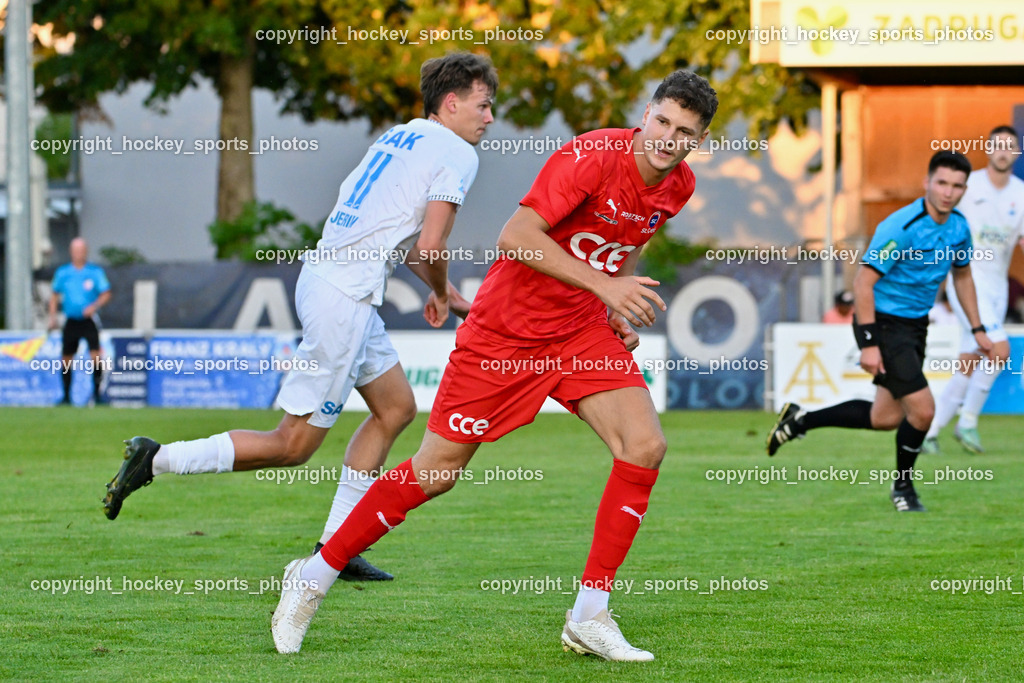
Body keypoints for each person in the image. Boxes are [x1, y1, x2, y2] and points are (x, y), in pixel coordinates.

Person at [269, 69, 719, 661]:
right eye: (662, 122)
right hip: (505, 334)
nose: (668, 138)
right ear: (646, 115)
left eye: (684, 132)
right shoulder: (590, 156)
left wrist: (614, 303)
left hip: (579, 331)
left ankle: (590, 615)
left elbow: (632, 240)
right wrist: (605, 288)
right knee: (436, 472)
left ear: (699, 140)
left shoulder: (679, 184)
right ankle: (312, 576)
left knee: (644, 446)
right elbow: (516, 236)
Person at [102, 53, 498, 582]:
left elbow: (399, 240)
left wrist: (440, 290)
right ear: (450, 103)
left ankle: (337, 546)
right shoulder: (458, 152)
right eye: (483, 105)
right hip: (345, 300)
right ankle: (156, 459)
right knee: (292, 445)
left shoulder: (400, 137)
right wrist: (445, 295)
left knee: (396, 408)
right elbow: (429, 245)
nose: (489, 118)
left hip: (331, 282)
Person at [766, 150, 994, 512]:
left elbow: (963, 276)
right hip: (883, 323)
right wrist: (870, 344)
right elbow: (862, 284)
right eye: (942, 183)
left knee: (885, 418)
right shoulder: (901, 226)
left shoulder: (959, 228)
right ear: (927, 182)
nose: (948, 192)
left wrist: (979, 328)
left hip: (915, 325)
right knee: (923, 411)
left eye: (956, 186)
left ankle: (800, 420)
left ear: (964, 189)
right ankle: (903, 488)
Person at [924, 126, 1024, 455]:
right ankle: (967, 420)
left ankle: (929, 432)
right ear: (988, 149)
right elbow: (938, 215)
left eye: (1010, 146)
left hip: (996, 286)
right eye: (998, 145)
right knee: (999, 349)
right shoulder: (969, 186)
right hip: (966, 280)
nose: (1003, 151)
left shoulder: (1021, 193)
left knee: (969, 361)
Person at [49, 237, 111, 405]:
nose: (78, 254)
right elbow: (54, 296)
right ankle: (66, 396)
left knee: (95, 356)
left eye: (81, 250)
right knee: (66, 358)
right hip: (71, 321)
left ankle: (97, 395)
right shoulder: (63, 272)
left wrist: (94, 306)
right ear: (71, 252)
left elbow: (106, 293)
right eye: (75, 250)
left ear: (86, 252)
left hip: (88, 321)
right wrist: (52, 317)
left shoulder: (94, 272)